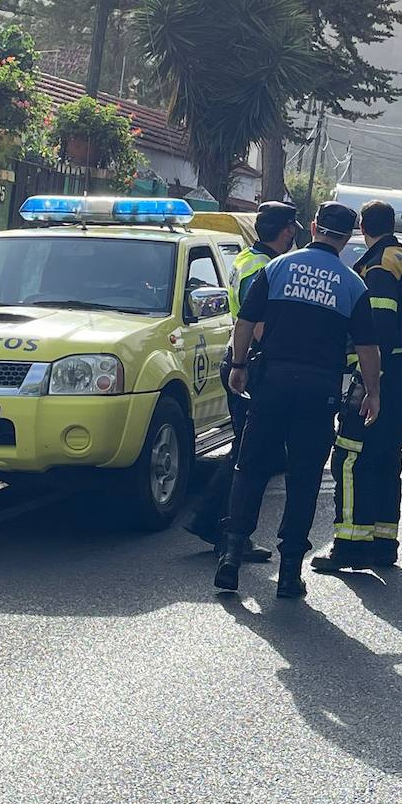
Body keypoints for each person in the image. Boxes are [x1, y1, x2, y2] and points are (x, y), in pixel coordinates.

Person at [216, 202, 382, 599]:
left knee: (251, 466)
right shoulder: (352, 284)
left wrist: (239, 365)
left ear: (313, 227)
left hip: (271, 382)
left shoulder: (278, 268)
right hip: (318, 391)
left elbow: (244, 322)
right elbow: (367, 347)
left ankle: (231, 556)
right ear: (350, 235)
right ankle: (290, 571)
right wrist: (373, 392)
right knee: (304, 478)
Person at [313, 200, 402, 573]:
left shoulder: (377, 267)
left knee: (351, 457)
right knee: (388, 457)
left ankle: (351, 547)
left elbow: (379, 329)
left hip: (380, 375)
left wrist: (368, 382)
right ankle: (384, 545)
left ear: (362, 229)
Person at [182, 201, 301, 560]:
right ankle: (219, 527)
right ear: (288, 231)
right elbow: (259, 324)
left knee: (247, 451)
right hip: (251, 364)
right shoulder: (263, 268)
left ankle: (214, 523)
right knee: (250, 454)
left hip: (244, 361)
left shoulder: (249, 258)